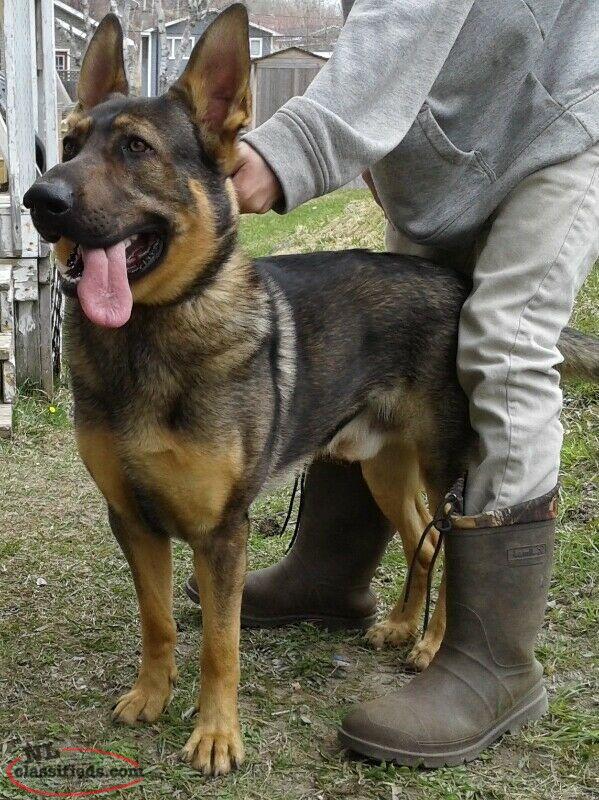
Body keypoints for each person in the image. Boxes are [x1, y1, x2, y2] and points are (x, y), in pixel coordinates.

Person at [186, 0, 599, 766]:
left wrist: (294, 148)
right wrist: (383, 151)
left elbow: (408, 14)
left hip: (561, 118)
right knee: (383, 338)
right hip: (441, 146)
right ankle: (332, 576)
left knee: (503, 344)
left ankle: (490, 657)